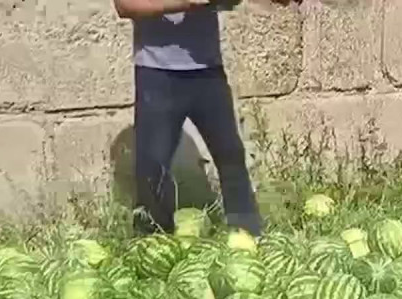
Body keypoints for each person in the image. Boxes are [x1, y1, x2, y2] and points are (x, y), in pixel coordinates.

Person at [113, 0, 297, 237]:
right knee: (153, 167)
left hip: (208, 70)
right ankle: (153, 241)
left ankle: (248, 235)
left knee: (231, 156)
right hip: (156, 74)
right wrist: (186, 2)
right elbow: (126, 6)